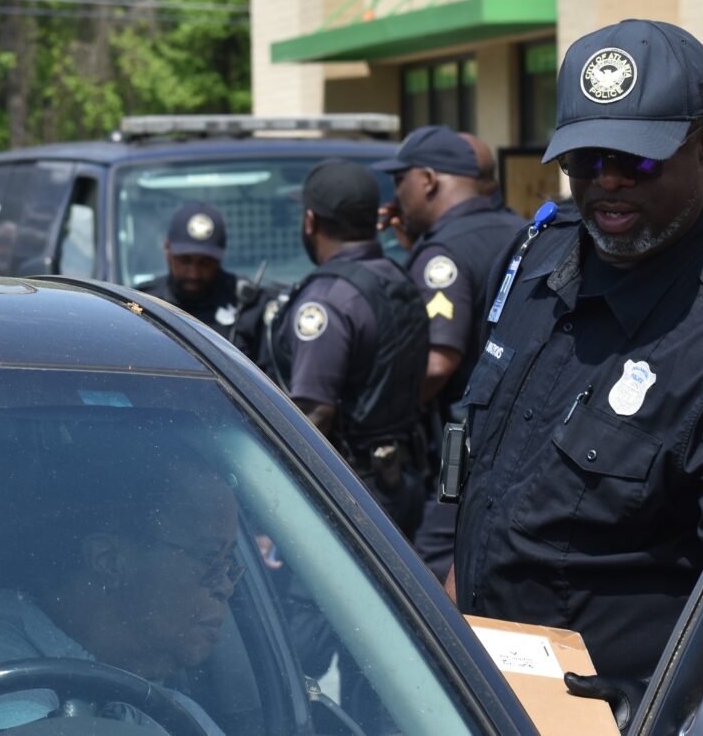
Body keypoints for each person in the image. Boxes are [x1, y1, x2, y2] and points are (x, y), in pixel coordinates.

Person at [449, 19, 703, 713]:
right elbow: (485, 492)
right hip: (481, 695)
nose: (606, 183)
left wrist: (684, 709)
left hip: (617, 717)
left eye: (638, 162)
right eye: (585, 160)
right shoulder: (547, 260)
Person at [0, 446, 235, 734]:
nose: (226, 586)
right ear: (110, 560)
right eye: (209, 558)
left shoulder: (162, 704)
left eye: (229, 562)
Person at [371, 125, 525, 578]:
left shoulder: (444, 253)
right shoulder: (520, 228)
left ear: (428, 180)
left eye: (400, 182)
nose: (396, 196)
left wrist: (375, 415)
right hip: (517, 446)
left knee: (425, 580)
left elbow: (438, 361)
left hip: (463, 457)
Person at [262, 158, 429, 536]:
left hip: (347, 494)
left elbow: (312, 414)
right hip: (399, 479)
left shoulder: (326, 299)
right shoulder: (396, 277)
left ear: (311, 221)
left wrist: (270, 500)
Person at [137, 203, 272, 360]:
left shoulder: (249, 307)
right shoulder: (142, 304)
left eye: (205, 263)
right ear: (167, 249)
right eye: (185, 260)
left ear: (220, 258)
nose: (194, 273)